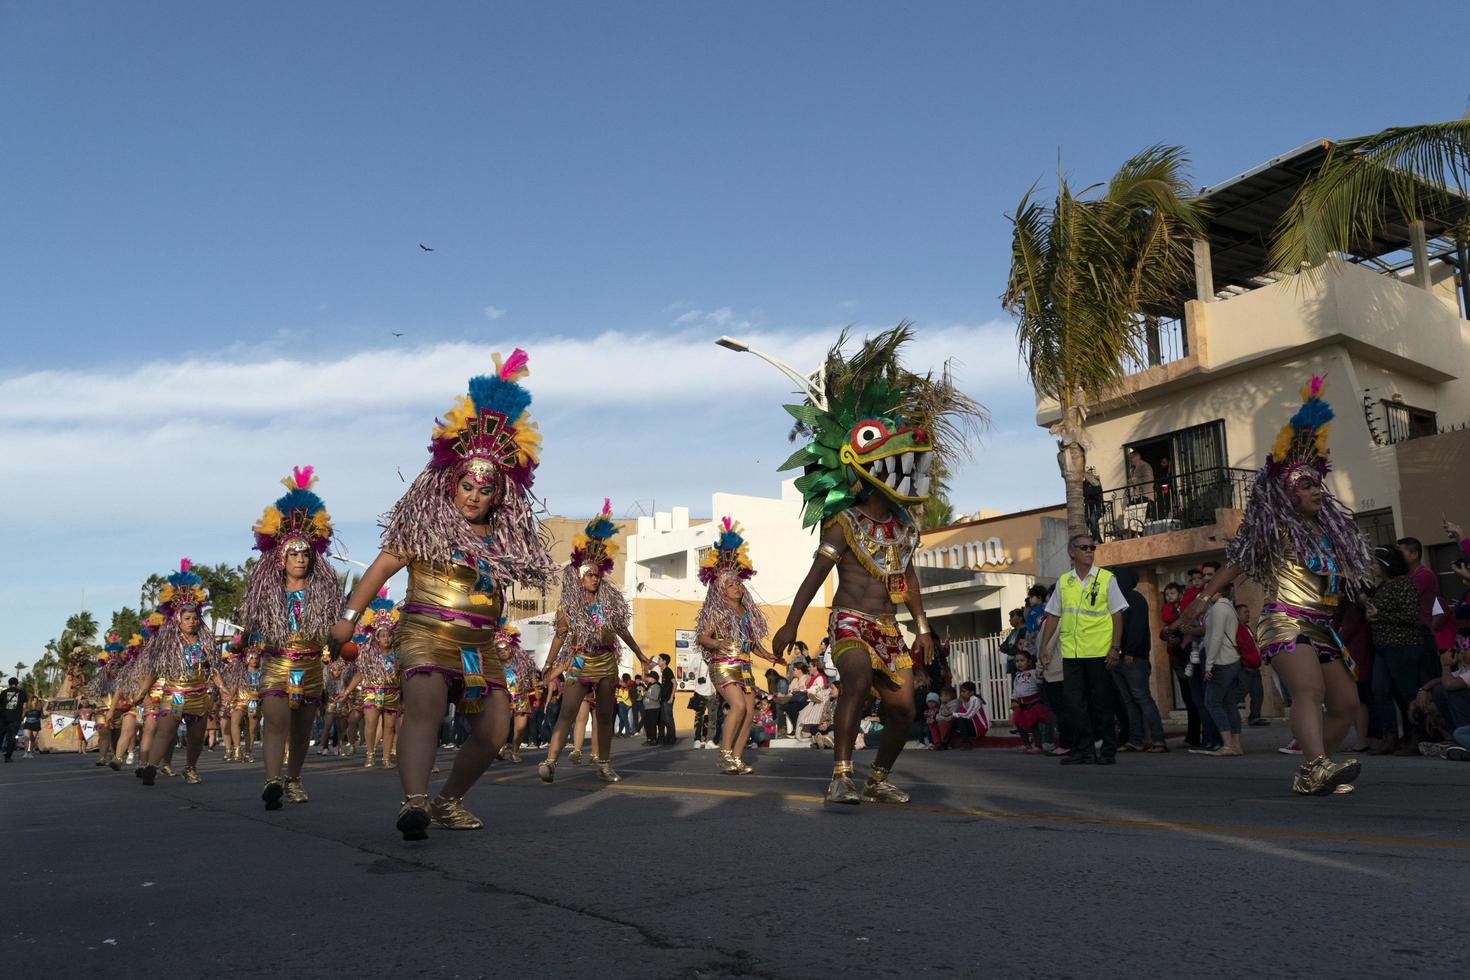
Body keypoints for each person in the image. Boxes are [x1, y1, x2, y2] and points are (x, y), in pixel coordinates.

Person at [330, 351, 558, 839]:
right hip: (425, 633)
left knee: (495, 729)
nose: (474, 495)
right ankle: (413, 803)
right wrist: (349, 617)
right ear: (450, 483)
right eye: (467, 484)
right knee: (426, 707)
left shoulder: (505, 540)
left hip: (478, 649)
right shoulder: (424, 525)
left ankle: (447, 800)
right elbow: (383, 566)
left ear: (500, 494)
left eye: (486, 487)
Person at [764, 326, 975, 806]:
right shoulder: (842, 523)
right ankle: (841, 775)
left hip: (888, 626)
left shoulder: (904, 527)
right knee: (856, 681)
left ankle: (878, 777)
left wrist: (921, 628)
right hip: (850, 622)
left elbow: (909, 578)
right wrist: (789, 625)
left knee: (904, 708)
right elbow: (813, 578)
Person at [1179, 376, 1373, 795]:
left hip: (1323, 627)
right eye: (1304, 485)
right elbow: (1236, 563)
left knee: (1346, 705)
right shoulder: (1274, 529)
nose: (1315, 490)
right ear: (1286, 494)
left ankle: (1310, 771)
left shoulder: (1329, 530)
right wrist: (1204, 599)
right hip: (1284, 619)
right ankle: (1318, 765)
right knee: (1309, 689)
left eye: (1315, 483)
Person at [235, 467, 341, 808]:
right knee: (276, 720)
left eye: (305, 553)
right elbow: (250, 622)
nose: (300, 558)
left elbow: (334, 630)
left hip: (310, 666)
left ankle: (293, 778)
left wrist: (341, 646)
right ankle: (272, 782)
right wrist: (245, 639)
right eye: (293, 553)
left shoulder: (325, 591)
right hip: (277, 663)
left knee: (300, 730)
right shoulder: (266, 591)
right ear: (280, 557)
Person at [539, 501, 652, 783]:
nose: (595, 578)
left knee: (604, 714)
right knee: (567, 712)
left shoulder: (609, 602)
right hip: (579, 660)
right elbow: (560, 635)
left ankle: (604, 763)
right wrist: (550, 664)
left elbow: (622, 631)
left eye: (597, 575)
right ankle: (551, 761)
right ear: (579, 577)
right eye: (590, 575)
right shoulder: (569, 606)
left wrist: (640, 655)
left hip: (606, 660)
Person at [696, 517, 781, 774]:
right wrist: (718, 642)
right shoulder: (718, 612)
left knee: (749, 710)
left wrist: (768, 655)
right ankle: (724, 754)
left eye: (739, 583)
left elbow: (751, 643)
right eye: (732, 584)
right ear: (722, 589)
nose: (738, 587)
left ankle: (736, 757)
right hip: (723, 665)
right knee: (738, 706)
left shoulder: (747, 612)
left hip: (743, 666)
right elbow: (702, 637)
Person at [132, 560, 225, 786]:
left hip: (199, 694)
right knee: (165, 731)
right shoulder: (168, 642)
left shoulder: (207, 641)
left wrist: (222, 687)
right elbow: (155, 669)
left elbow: (213, 668)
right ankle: (151, 768)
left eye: (194, 618)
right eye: (187, 618)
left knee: (195, 737)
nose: (192, 622)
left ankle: (190, 769)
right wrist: (142, 691)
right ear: (177, 620)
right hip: (175, 693)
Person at [1039, 536, 1128, 765]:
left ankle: (1108, 750)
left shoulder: (1106, 578)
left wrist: (1115, 648)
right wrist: (1044, 646)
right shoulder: (1064, 581)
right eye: (1084, 548)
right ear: (1072, 553)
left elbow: (1117, 614)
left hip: (1099, 652)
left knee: (1102, 703)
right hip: (1072, 654)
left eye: (1092, 547)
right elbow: (1054, 615)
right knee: (1073, 704)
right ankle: (1084, 750)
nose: (1090, 551)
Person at [1365, 546, 1429, 756]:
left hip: (1403, 646)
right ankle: (1389, 735)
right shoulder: (1382, 586)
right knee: (1379, 691)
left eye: (1375, 563)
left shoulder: (1405, 584)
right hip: (1383, 647)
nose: (1372, 567)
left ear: (1386, 565)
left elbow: (1411, 617)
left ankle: (1416, 736)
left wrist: (1380, 615)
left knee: (1407, 693)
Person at [1111, 568, 1165, 753]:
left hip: (1132, 657)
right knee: (1129, 701)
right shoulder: (1116, 600)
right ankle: (1136, 740)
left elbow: (1136, 627)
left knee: (1142, 698)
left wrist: (1130, 651)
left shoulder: (1134, 599)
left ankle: (1158, 740)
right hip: (1118, 657)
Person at [1193, 586, 1243, 756]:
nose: (1207, 594)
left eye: (1211, 590)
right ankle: (1236, 745)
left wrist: (1209, 665)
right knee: (1229, 704)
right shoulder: (1228, 606)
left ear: (1219, 592)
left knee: (1212, 702)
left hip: (1222, 661)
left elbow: (1216, 637)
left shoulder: (1219, 609)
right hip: (1232, 659)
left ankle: (1228, 745)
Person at [1009, 651, 1051, 753]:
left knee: (1033, 726)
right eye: (1017, 661)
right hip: (1021, 705)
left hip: (1033, 704)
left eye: (1022, 660)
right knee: (1020, 725)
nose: (1019, 663)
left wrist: (1040, 674)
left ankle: (1038, 746)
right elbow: (1015, 690)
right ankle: (1026, 744)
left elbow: (1040, 682)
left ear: (1029, 661)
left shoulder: (1033, 673)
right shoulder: (1017, 676)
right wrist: (1013, 700)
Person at [1236, 603, 1269, 728]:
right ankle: (1232, 714)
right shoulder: (1237, 629)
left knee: (1258, 693)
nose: (1248, 614)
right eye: (1245, 612)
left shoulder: (1247, 628)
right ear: (1238, 614)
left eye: (1248, 611)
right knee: (1241, 692)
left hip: (1254, 666)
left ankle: (1255, 717)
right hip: (1245, 667)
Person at [1, 677, 25, 763]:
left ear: (9, 683)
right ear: (17, 683)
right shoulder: (21, 693)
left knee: (1, 735)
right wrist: (22, 716)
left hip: (3, 718)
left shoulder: (4, 692)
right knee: (12, 737)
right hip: (16, 718)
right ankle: (8, 757)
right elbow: (24, 706)